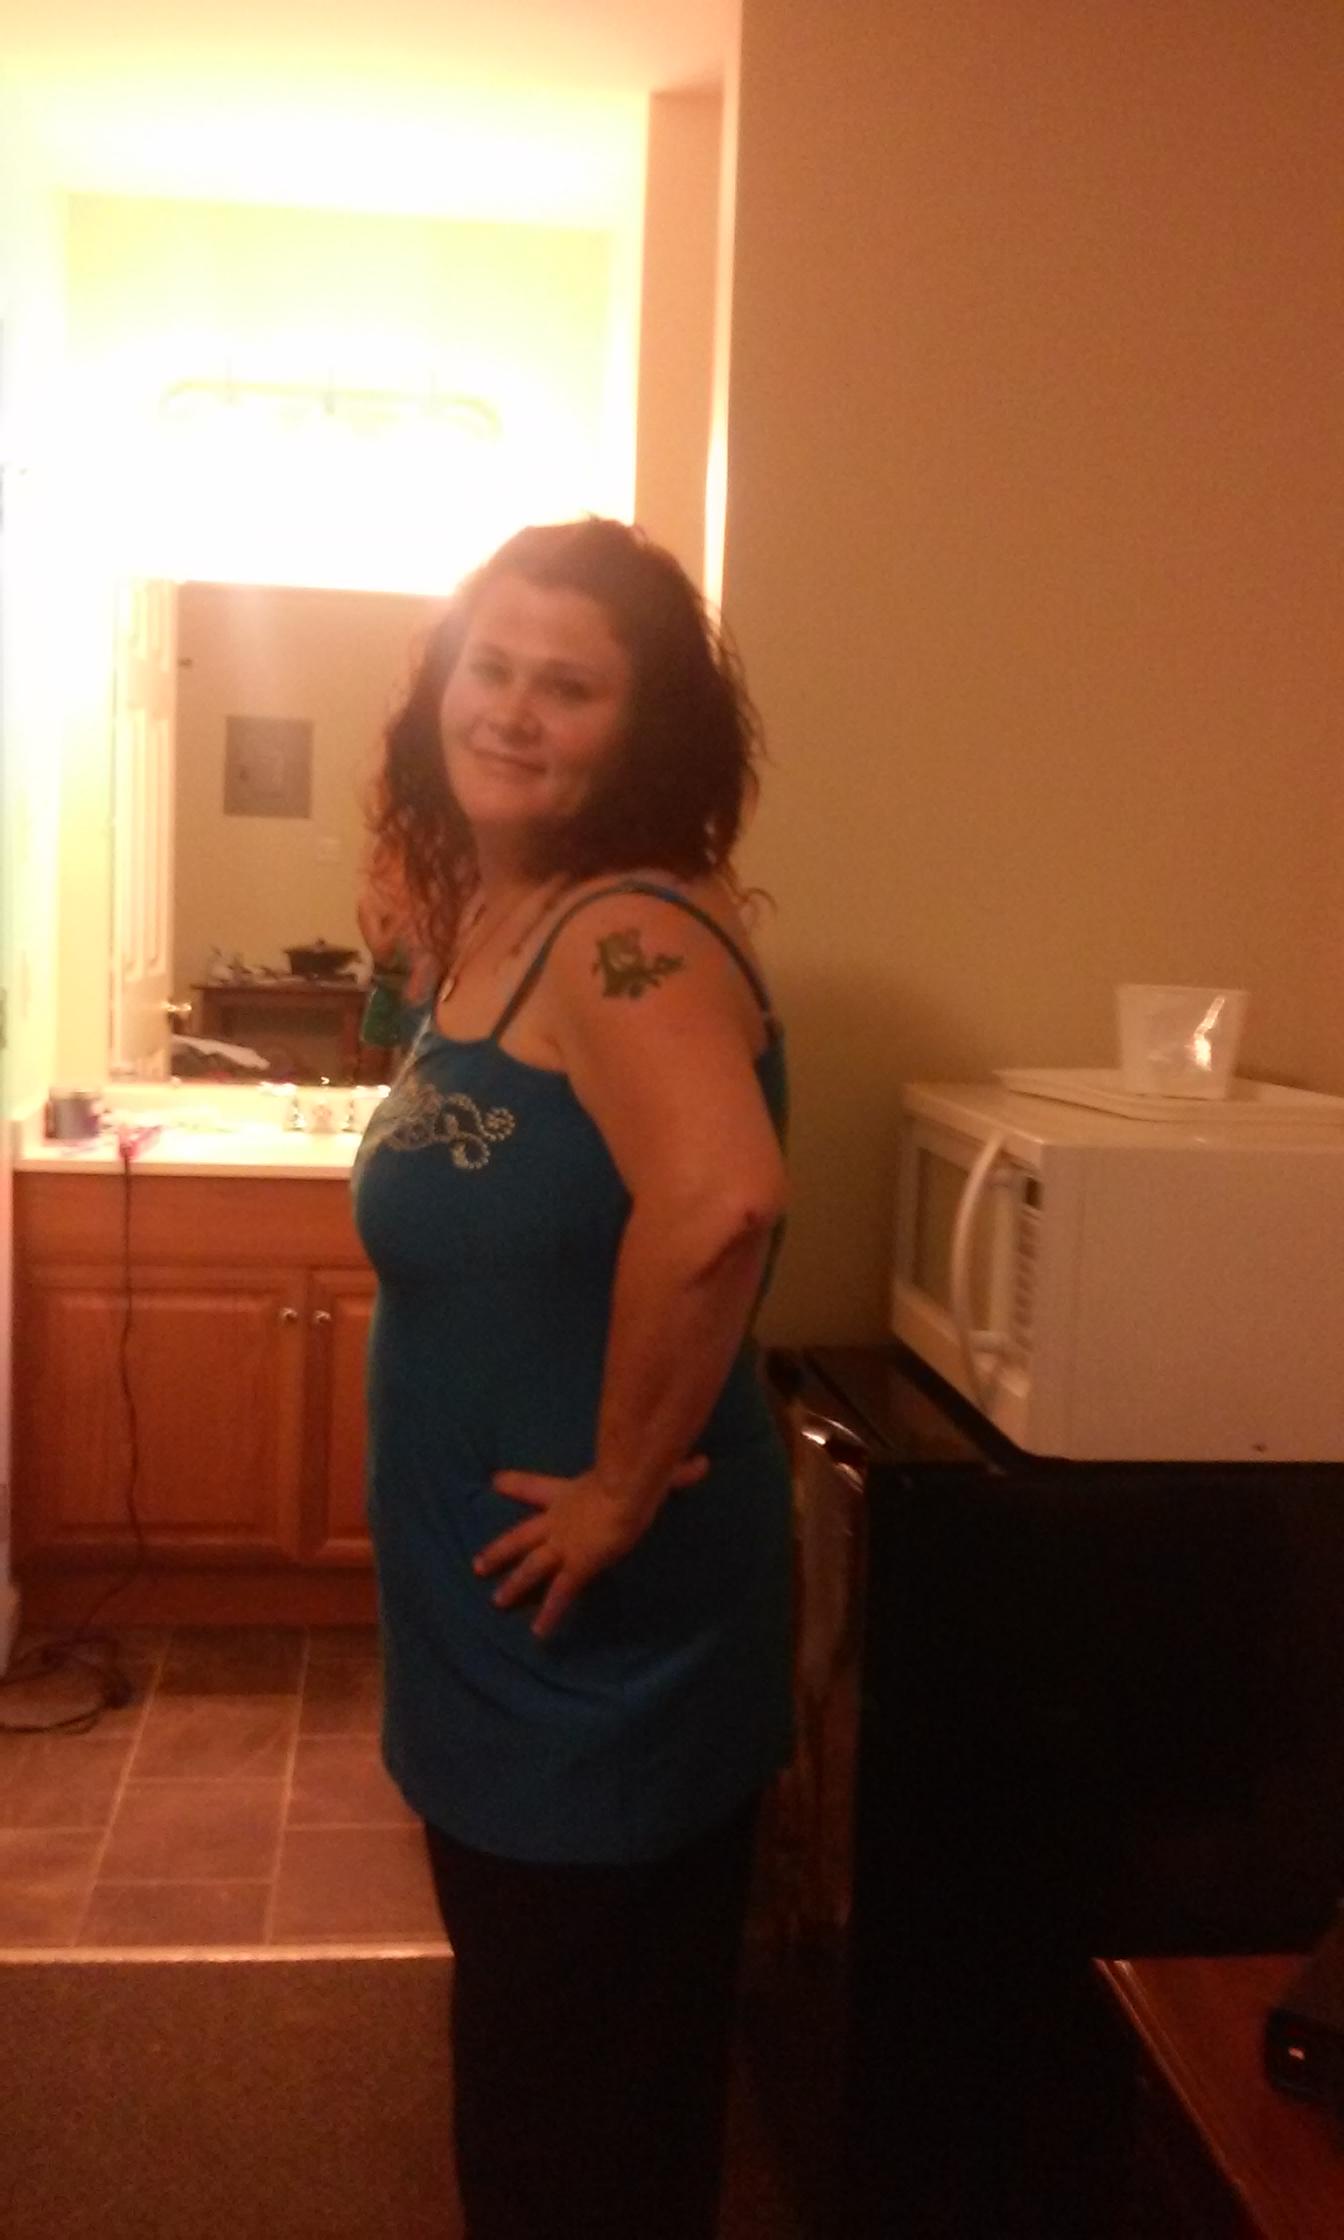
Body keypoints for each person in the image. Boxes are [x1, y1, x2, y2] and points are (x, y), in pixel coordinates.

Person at [352, 516, 792, 2240]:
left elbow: (722, 1198)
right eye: (491, 667)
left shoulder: (628, 934)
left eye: (570, 686)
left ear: (645, 728)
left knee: (579, 2089)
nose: (512, 710)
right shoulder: (506, 918)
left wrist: (613, 1490)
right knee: (557, 2050)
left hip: (595, 1637)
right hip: (500, 1623)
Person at [355, 868, 436, 1080]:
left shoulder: (432, 895)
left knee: (418, 1067)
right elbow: (381, 953)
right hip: (386, 987)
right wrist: (402, 917)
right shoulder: (369, 901)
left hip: (424, 992)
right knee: (370, 1067)